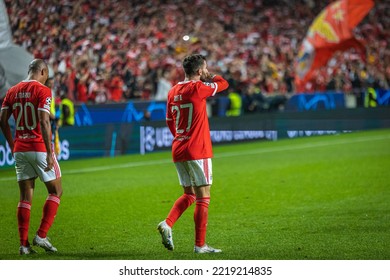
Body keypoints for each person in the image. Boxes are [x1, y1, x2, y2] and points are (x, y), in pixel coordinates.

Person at [157, 54, 229, 253]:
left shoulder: (173, 91)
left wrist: (181, 137)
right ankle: (200, 245)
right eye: (203, 68)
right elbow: (224, 84)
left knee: (189, 194)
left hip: (178, 147)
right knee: (203, 196)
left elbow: (169, 121)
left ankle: (167, 223)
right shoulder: (198, 88)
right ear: (199, 71)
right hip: (198, 148)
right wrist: (211, 75)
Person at [0, 59, 63, 255]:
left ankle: (23, 245)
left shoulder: (12, 90)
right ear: (42, 71)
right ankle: (41, 235)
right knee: (56, 191)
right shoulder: (43, 90)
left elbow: (2, 121)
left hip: (20, 148)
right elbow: (44, 122)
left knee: (25, 197)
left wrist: (12, 144)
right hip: (38, 147)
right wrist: (49, 153)